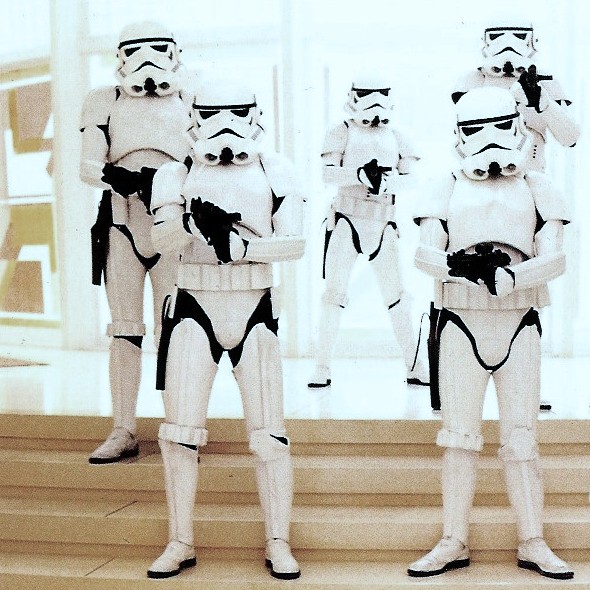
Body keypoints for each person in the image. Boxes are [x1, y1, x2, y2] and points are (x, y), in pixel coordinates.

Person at [408, 87, 573, 580]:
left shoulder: (538, 185)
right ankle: (453, 539)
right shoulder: (444, 185)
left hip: (518, 320)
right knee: (458, 438)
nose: (489, 139)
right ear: (459, 133)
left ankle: (533, 539)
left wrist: (512, 278)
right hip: (461, 319)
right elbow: (425, 253)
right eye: (476, 129)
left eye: (500, 126)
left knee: (521, 438)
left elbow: (555, 257)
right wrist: (464, 268)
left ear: (517, 126)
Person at [146, 79, 305, 580]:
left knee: (269, 434)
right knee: (179, 432)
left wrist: (241, 247)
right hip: (194, 302)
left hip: (254, 303)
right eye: (215, 114)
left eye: (237, 112)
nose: (226, 126)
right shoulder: (175, 172)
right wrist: (194, 225)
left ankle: (278, 540)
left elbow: (295, 242)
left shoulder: (275, 167)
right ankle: (180, 540)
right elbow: (160, 238)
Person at [79, 22, 192, 464]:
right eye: (137, 51)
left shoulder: (190, 98)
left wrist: (165, 182)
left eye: (158, 49)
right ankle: (123, 428)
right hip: (121, 221)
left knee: (173, 330)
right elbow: (88, 164)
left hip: (171, 224)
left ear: (175, 54)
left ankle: (178, 427)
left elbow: (205, 158)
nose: (148, 61)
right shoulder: (104, 100)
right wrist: (121, 178)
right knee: (125, 329)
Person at [308, 75, 427, 389]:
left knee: (397, 297)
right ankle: (321, 366)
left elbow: (412, 178)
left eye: (380, 94)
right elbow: (327, 174)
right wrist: (359, 175)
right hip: (347, 220)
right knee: (334, 296)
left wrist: (385, 181)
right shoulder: (341, 132)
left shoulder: (397, 136)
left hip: (382, 222)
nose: (374, 101)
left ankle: (414, 365)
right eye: (366, 94)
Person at [452, 22, 580, 172]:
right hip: (481, 174)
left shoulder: (544, 81)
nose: (508, 44)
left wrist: (545, 105)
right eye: (497, 36)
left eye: (519, 36)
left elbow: (570, 138)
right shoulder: (473, 81)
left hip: (530, 174)